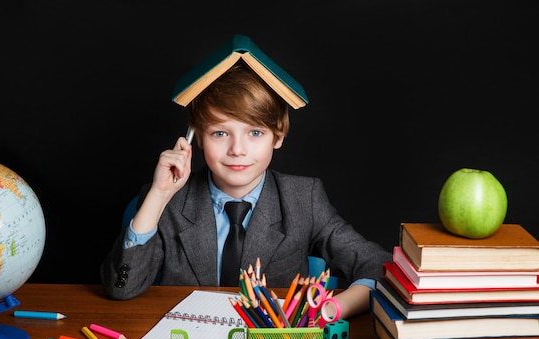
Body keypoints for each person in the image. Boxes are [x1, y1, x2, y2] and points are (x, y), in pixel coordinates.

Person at [100, 61, 391, 320]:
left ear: (278, 135)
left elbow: (378, 266)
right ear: (196, 138)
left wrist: (330, 309)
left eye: (255, 132)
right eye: (220, 133)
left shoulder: (304, 198)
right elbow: (120, 289)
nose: (237, 150)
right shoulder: (171, 200)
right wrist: (159, 196)